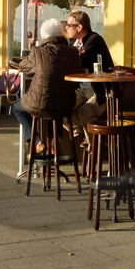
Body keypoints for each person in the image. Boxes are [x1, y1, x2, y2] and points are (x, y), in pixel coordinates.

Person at [13, 17, 86, 162]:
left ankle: (36, 142)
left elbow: (25, 68)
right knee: (56, 106)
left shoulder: (38, 52)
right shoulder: (73, 52)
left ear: (44, 36)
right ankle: (55, 142)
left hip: (41, 103)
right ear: (61, 34)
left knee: (17, 108)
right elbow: (78, 77)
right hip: (67, 104)